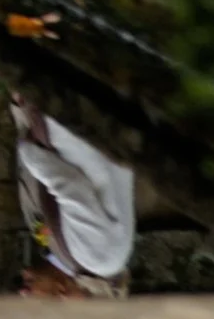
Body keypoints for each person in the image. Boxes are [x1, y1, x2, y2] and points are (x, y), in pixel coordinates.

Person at [14, 96, 134, 297]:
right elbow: (71, 186)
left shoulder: (78, 258)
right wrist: (27, 152)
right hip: (75, 112)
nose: (23, 293)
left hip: (67, 112)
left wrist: (21, 109)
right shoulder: (100, 259)